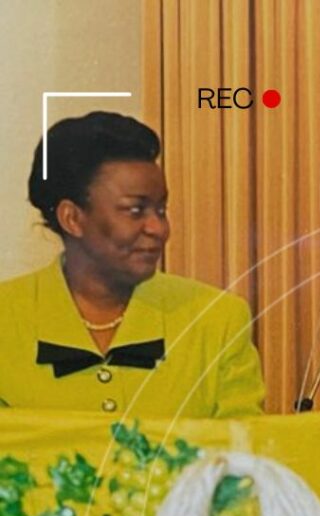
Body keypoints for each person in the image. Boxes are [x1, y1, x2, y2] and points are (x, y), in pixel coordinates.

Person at [0, 111, 264, 418]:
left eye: (161, 210)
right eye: (135, 211)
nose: (159, 228)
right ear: (72, 218)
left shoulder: (217, 319)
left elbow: (244, 444)